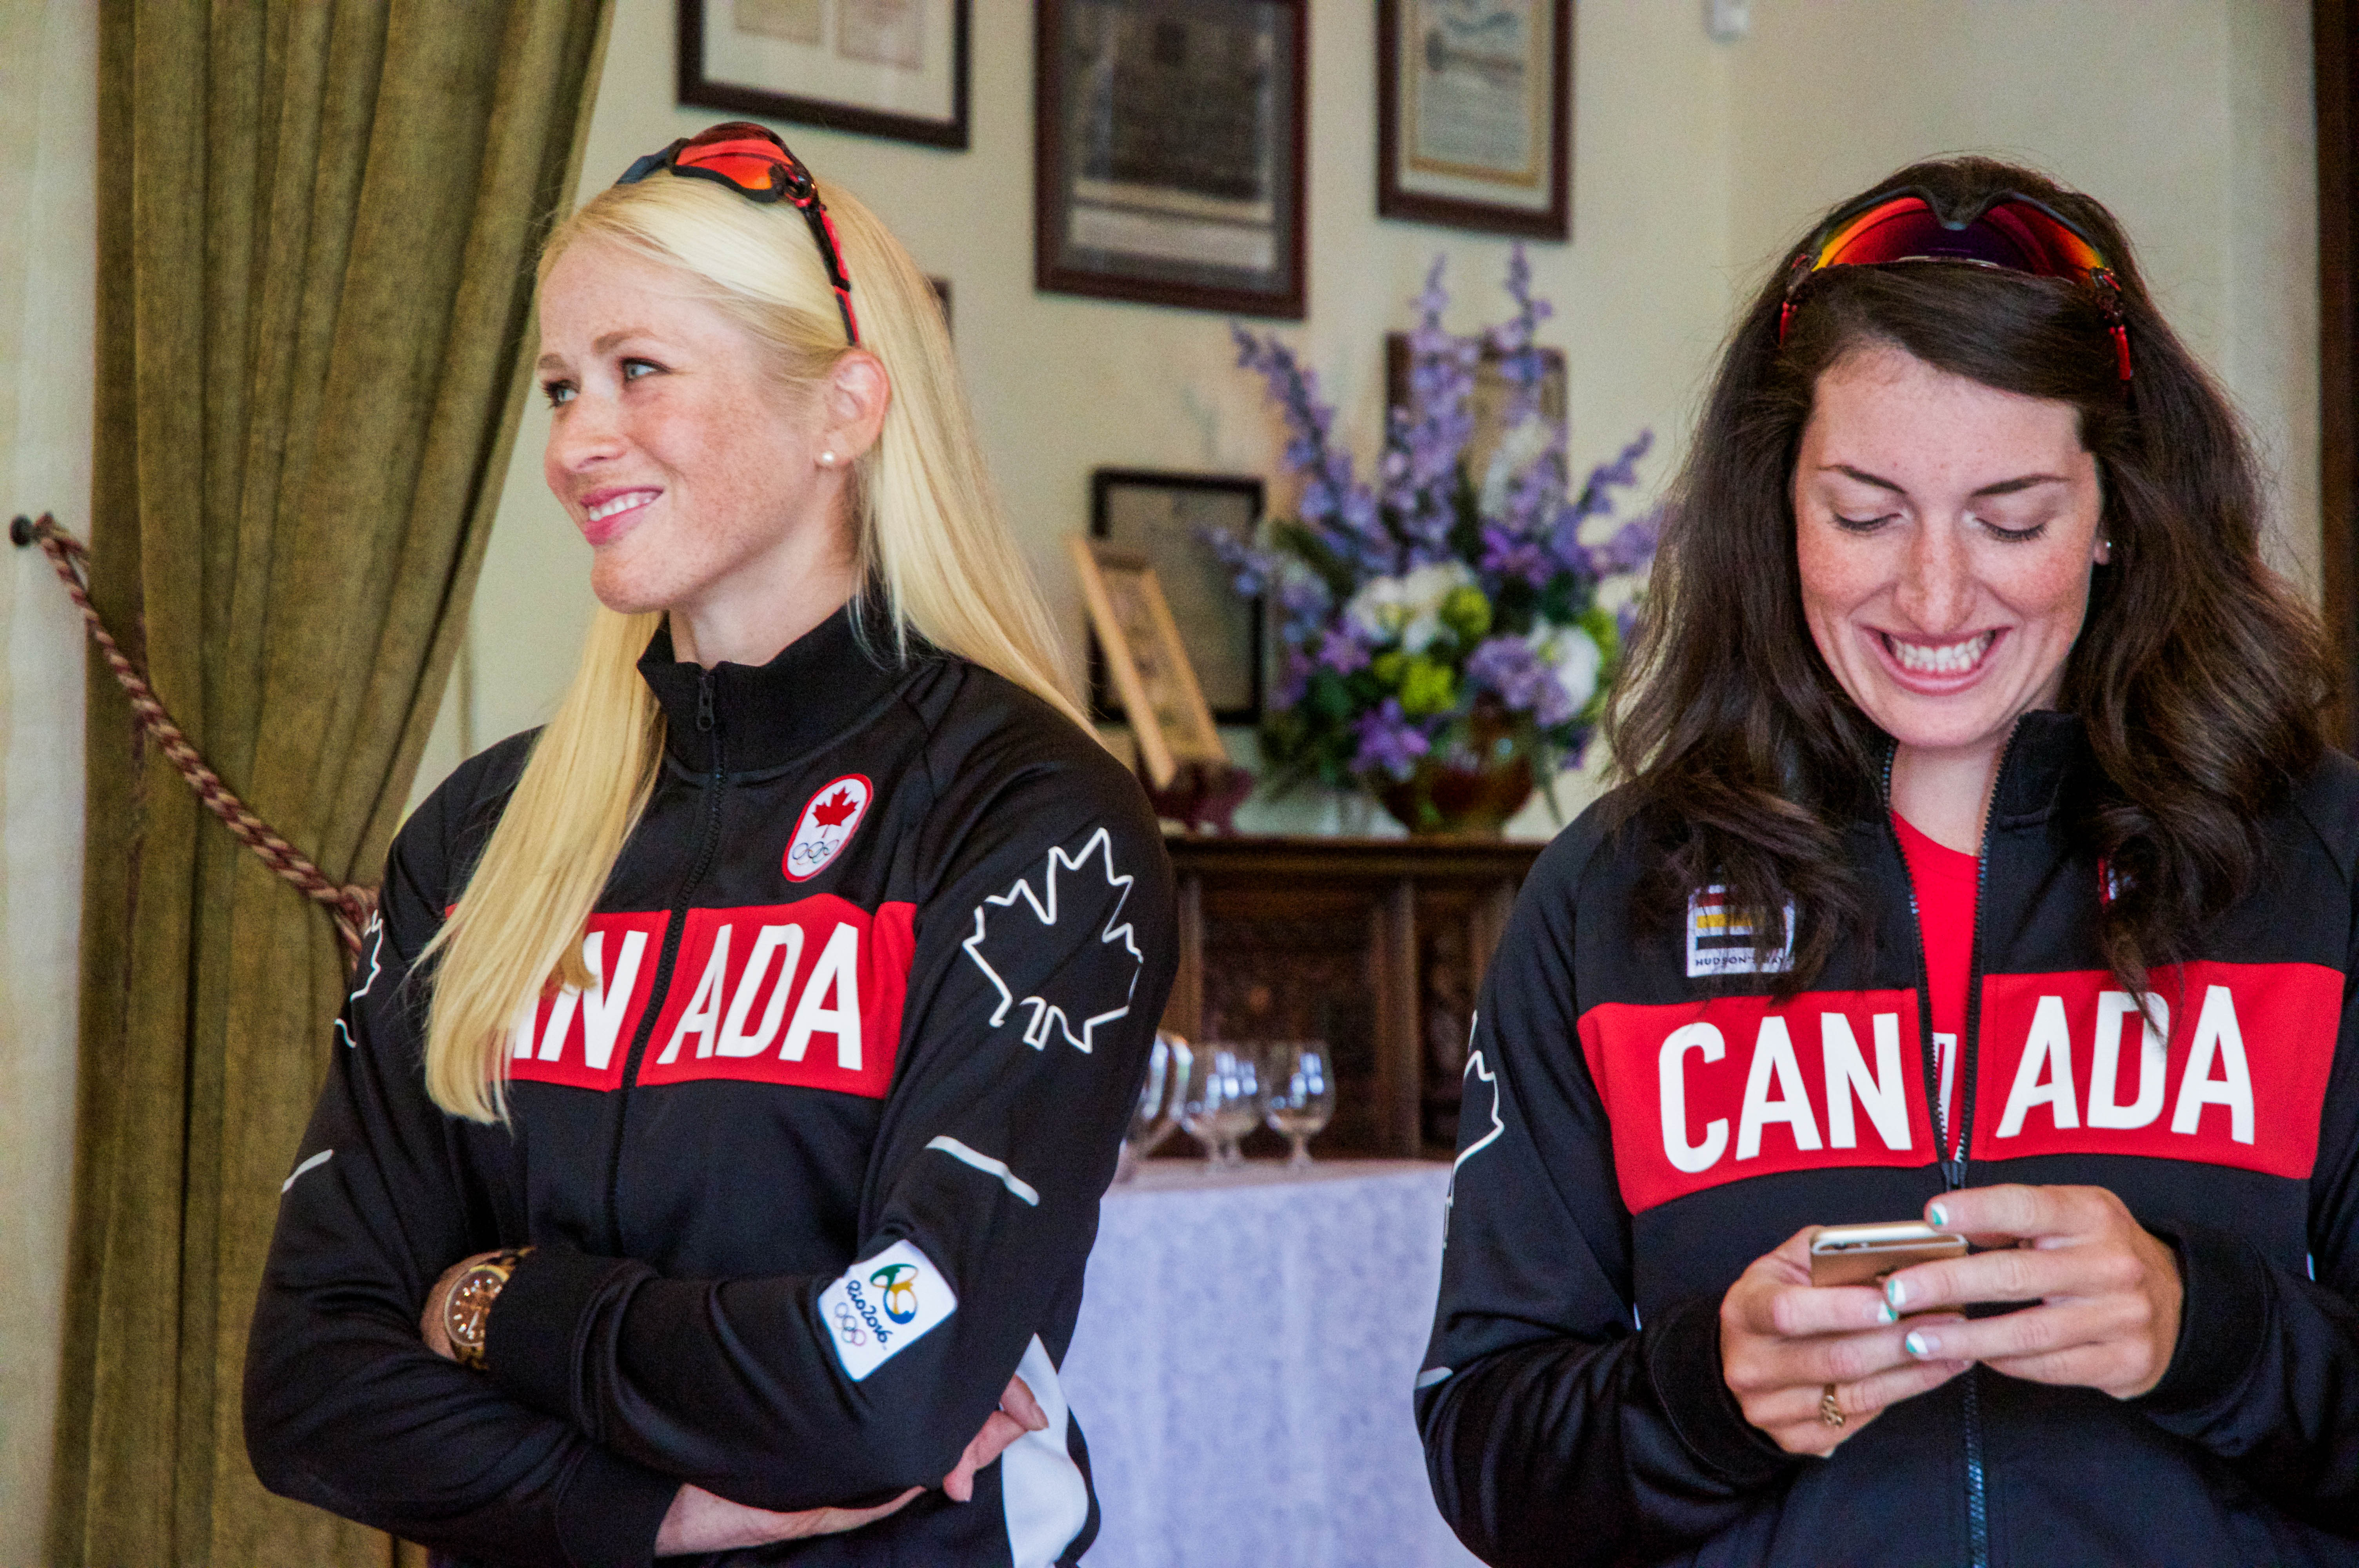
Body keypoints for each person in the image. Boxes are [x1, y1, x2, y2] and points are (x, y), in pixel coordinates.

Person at [245, 122, 1175, 1567]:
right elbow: (306, 1385)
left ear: (844, 408)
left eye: (637, 372)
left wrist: (492, 1301)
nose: (573, 445)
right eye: (561, 386)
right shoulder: (482, 837)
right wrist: (663, 1512)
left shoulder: (1034, 821)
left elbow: (890, 1385)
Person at [1417, 156, 2359, 1566]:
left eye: (2011, 519)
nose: (1932, 594)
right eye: (1863, 513)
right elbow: (1486, 1454)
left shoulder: (2320, 865)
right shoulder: (1612, 898)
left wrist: (2205, 1333)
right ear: (1776, 508)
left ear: (2117, 512)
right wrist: (1709, 1396)